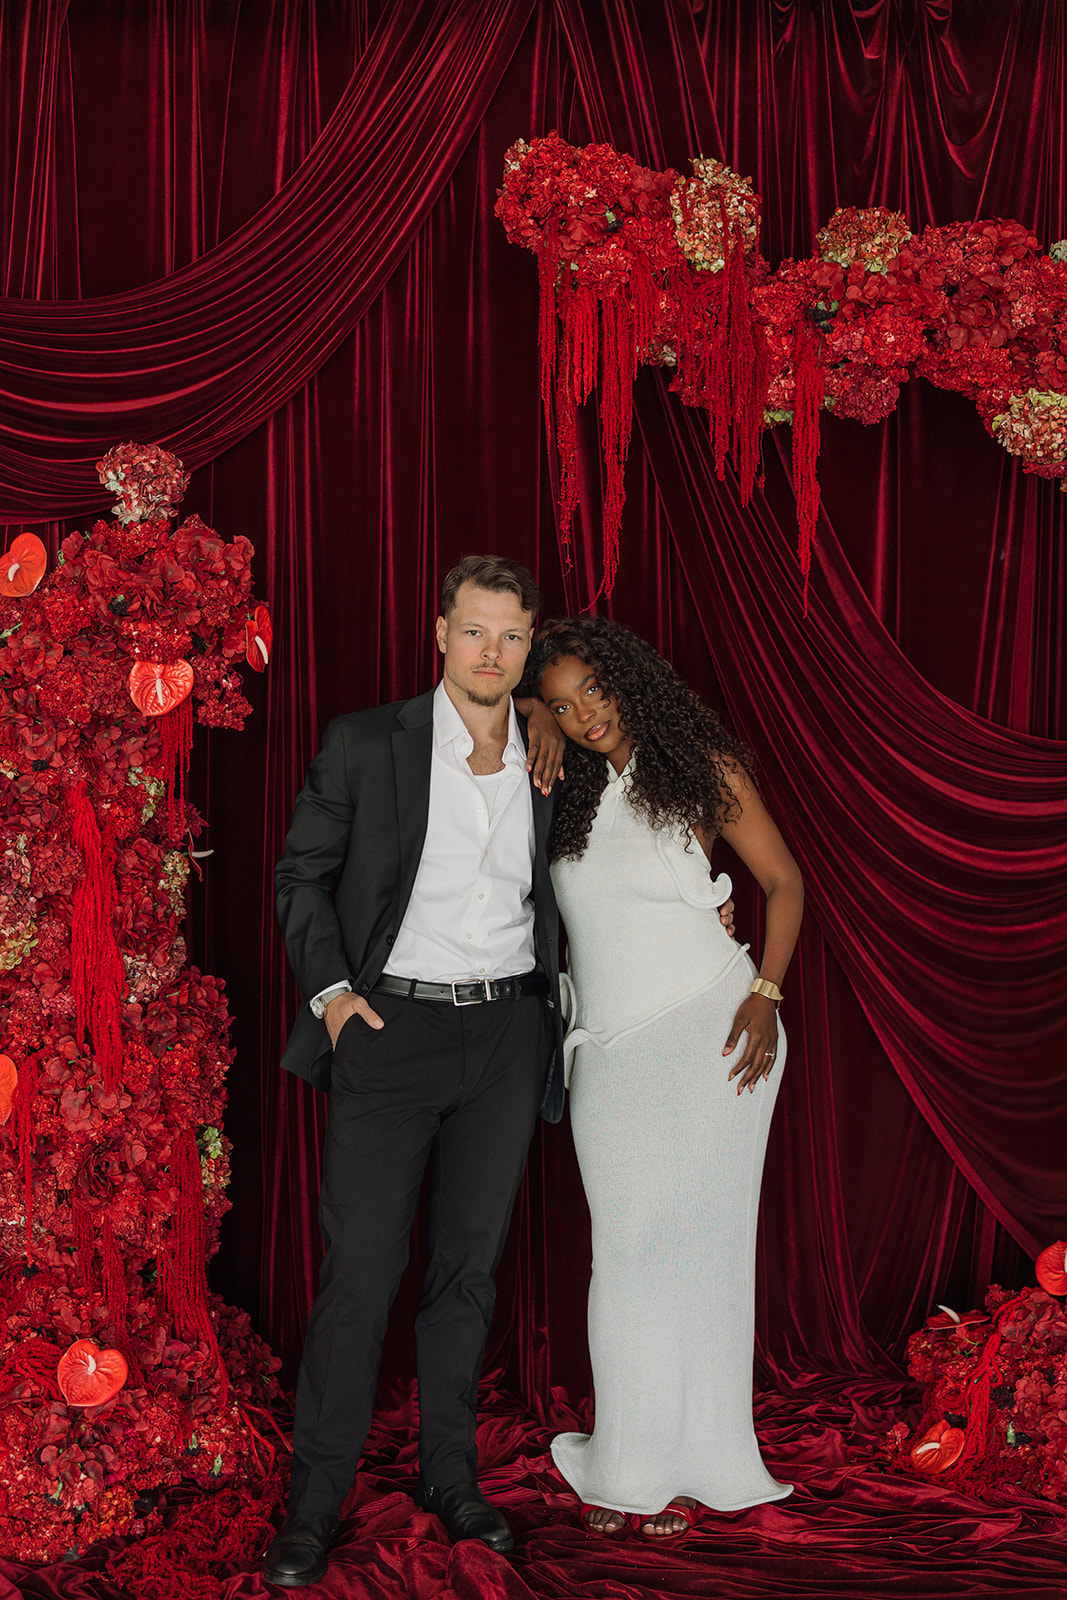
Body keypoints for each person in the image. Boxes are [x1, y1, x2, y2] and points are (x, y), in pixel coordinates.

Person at [263, 556, 569, 1587]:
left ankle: (450, 1475)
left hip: (504, 1036)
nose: (491, 653)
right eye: (474, 632)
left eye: (511, 636)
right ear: (439, 632)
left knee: (465, 1274)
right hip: (389, 1032)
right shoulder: (368, 743)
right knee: (359, 1275)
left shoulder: (548, 748)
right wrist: (336, 999)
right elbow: (300, 873)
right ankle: (314, 1502)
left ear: (530, 645)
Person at [524, 615, 804, 1541]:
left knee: (706, 1253)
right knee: (630, 1251)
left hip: (719, 1032)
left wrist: (765, 990)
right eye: (563, 702)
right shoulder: (560, 787)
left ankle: (701, 1461)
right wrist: (534, 713)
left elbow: (784, 882)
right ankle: (628, 1462)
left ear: (628, 682)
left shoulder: (697, 768)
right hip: (608, 1046)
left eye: (592, 692)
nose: (583, 713)